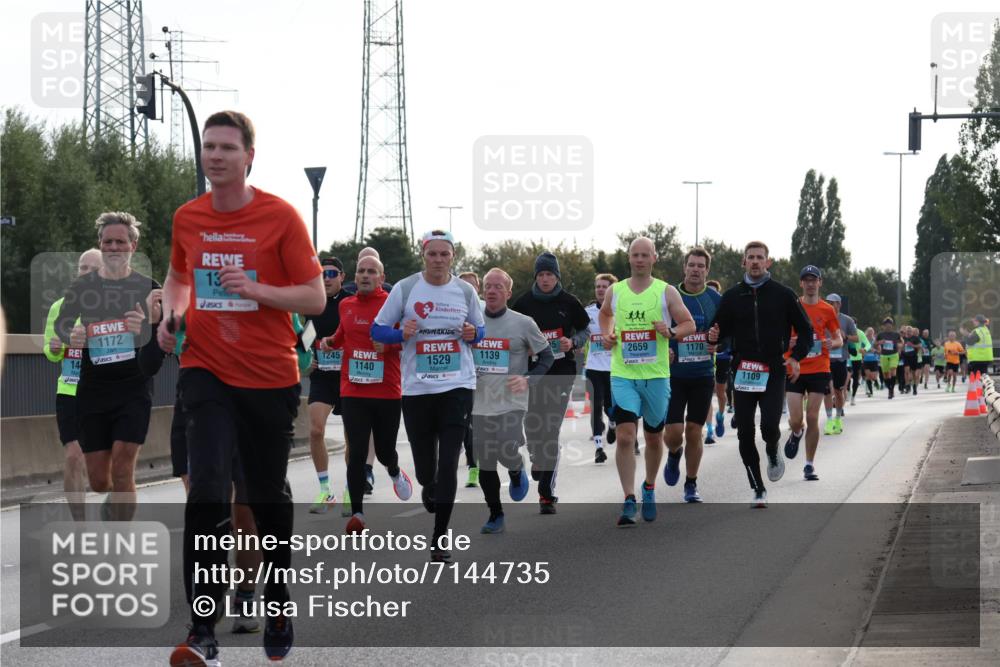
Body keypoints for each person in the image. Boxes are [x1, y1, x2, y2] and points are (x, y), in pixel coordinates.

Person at [161, 110, 326, 665]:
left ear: (248, 156)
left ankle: (277, 599)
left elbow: (313, 298)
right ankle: (201, 628)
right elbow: (180, 276)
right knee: (206, 490)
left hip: (269, 376)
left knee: (265, 496)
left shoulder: (280, 217)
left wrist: (258, 291)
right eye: (208, 146)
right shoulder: (188, 217)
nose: (215, 155)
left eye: (227, 147)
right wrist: (172, 314)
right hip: (204, 369)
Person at [372, 230, 485, 562]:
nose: (438, 259)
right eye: (432, 254)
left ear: (453, 256)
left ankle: (440, 537)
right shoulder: (406, 289)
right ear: (424, 256)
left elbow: (480, 331)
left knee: (450, 461)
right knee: (427, 470)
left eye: (444, 254)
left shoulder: (465, 291)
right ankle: (427, 483)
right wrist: (398, 332)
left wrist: (472, 333)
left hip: (458, 387)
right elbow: (377, 330)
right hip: (418, 389)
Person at [55, 213, 161, 523]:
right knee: (101, 480)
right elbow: (61, 325)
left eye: (120, 241)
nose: (114, 247)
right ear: (100, 246)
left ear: (133, 245)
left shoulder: (147, 287)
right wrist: (70, 334)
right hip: (94, 391)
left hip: (133, 388)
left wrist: (147, 327)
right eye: (108, 242)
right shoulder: (83, 287)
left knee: (124, 466)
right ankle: (114, 496)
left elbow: (160, 342)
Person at [707, 241, 813, 508]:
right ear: (743, 262)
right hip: (743, 370)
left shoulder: (783, 294)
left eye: (760, 257)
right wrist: (715, 338)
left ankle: (772, 450)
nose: (755, 262)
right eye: (750, 257)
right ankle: (757, 487)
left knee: (768, 427)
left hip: (774, 369)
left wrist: (795, 358)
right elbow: (718, 332)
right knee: (744, 431)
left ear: (768, 262)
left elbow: (806, 331)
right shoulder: (732, 296)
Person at [599, 237, 695, 525]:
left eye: (645, 255)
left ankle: (649, 486)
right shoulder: (615, 291)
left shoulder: (665, 291)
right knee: (626, 436)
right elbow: (605, 316)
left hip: (656, 375)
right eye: (635, 255)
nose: (639, 259)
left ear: (654, 258)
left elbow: (689, 325)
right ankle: (629, 498)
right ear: (629, 258)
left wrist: (671, 332)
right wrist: (608, 333)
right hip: (623, 374)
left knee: (654, 437)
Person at [326, 255, 413, 534]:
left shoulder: (393, 305)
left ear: (381, 276)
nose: (365, 276)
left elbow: (408, 340)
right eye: (361, 271)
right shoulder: (346, 305)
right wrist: (329, 343)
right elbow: (343, 333)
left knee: (386, 451)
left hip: (387, 390)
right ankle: (359, 515)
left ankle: (394, 471)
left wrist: (388, 347)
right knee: (357, 453)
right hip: (352, 389)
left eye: (371, 272)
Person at [472, 268, 554, 533]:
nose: (492, 290)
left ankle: (516, 468)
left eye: (498, 286)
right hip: (478, 402)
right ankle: (495, 514)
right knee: (485, 457)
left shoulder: (523, 323)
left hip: (511, 400)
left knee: (506, 445)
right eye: (488, 286)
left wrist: (528, 379)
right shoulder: (471, 321)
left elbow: (547, 357)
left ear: (508, 292)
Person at [512, 251, 591, 514]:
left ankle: (546, 493)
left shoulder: (569, 302)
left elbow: (585, 329)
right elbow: (512, 336)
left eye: (550, 274)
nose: (545, 279)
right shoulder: (523, 304)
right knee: (533, 425)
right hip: (533, 373)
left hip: (561, 372)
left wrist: (574, 342)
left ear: (557, 277)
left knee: (551, 428)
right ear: (536, 277)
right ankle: (536, 456)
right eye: (541, 274)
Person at [43, 248, 103, 521]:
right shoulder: (59, 307)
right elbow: (50, 350)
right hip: (69, 389)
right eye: (82, 267)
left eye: (93, 268)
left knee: (103, 467)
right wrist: (56, 346)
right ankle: (80, 525)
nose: (86, 272)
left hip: (103, 391)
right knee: (73, 456)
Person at [663, 248, 719, 503]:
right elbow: (657, 329)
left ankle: (691, 483)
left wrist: (719, 345)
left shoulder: (714, 299)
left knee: (695, 430)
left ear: (707, 271)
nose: (696, 269)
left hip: (702, 374)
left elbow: (728, 333)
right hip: (673, 375)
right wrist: (664, 351)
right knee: (674, 433)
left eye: (701, 266)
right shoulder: (669, 295)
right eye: (692, 265)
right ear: (684, 267)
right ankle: (674, 454)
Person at [782, 267, 842, 482]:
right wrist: (786, 342)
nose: (809, 284)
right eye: (805, 280)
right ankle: (796, 433)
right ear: (801, 283)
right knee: (796, 420)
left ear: (820, 283)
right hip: (794, 367)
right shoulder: (792, 307)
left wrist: (831, 342)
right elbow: (779, 334)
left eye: (813, 280)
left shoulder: (827, 310)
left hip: (819, 368)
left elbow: (838, 338)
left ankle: (809, 464)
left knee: (813, 416)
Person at [304, 257, 351, 514]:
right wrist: (305, 358)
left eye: (332, 273)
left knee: (351, 436)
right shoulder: (311, 304)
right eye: (322, 274)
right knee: (315, 430)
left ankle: (349, 489)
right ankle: (325, 491)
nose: (327, 278)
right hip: (322, 375)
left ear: (342, 276)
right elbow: (303, 337)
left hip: (348, 376)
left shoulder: (349, 302)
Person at [585, 273, 618, 463]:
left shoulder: (620, 311)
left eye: (604, 286)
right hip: (593, 367)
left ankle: (613, 424)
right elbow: (579, 333)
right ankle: (599, 446)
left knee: (610, 407)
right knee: (596, 406)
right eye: (598, 286)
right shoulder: (587, 312)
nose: (600, 289)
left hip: (614, 368)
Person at [457, 270, 484, 487]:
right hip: (463, 377)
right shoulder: (450, 310)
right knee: (469, 424)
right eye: (462, 284)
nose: (467, 289)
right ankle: (473, 467)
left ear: (478, 288)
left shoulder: (485, 309)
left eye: (472, 285)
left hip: (488, 376)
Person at [822, 293, 855, 434]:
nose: (829, 304)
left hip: (840, 360)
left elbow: (856, 338)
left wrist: (845, 336)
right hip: (824, 360)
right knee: (827, 390)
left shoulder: (847, 320)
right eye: (828, 301)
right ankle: (829, 421)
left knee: (838, 391)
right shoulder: (822, 317)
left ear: (839, 304)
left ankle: (837, 418)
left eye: (833, 302)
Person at [875, 318, 902, 399]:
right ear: (883, 326)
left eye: (889, 325)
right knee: (886, 374)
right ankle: (889, 388)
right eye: (886, 325)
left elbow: (901, 342)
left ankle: (891, 390)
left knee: (893, 370)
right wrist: (879, 342)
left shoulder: (896, 334)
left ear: (892, 325)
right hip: (884, 355)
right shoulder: (880, 335)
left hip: (894, 354)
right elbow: (874, 344)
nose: (888, 326)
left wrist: (899, 346)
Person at [862, 326, 881, 396]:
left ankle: (876, 381)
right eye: (869, 332)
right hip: (866, 360)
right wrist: (864, 351)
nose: (870, 333)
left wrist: (874, 350)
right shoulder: (864, 341)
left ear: (873, 333)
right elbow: (860, 350)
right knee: (868, 376)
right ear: (866, 333)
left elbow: (880, 351)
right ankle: (870, 392)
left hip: (874, 360)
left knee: (873, 377)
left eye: (871, 332)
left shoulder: (875, 341)